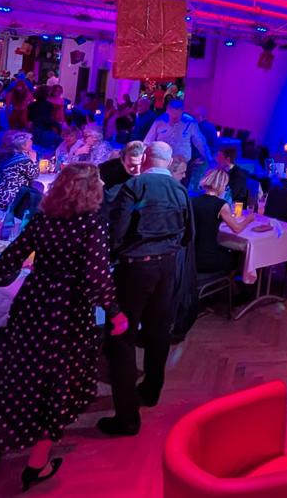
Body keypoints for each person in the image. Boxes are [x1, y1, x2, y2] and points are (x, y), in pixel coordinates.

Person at [0, 164, 129, 489]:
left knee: (15, 374)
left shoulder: (44, 219)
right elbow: (96, 276)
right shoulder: (92, 224)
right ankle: (36, 463)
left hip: (32, 303)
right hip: (66, 310)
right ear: (91, 192)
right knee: (56, 382)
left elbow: (10, 259)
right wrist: (115, 312)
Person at [100, 141, 194, 436]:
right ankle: (152, 391)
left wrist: (112, 256)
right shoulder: (180, 189)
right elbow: (188, 234)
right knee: (158, 331)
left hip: (136, 267)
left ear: (146, 159)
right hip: (167, 267)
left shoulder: (135, 186)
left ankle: (127, 417)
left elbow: (117, 231)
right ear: (169, 160)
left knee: (122, 336)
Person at [190, 168, 253, 275]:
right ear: (222, 185)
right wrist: (249, 219)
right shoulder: (221, 204)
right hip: (207, 258)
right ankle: (236, 283)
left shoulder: (193, 201)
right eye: (226, 186)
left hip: (191, 256)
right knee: (239, 255)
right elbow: (237, 229)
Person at [144, 98, 211, 179]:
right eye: (172, 116)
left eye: (177, 116)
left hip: (182, 165)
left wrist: (208, 158)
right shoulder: (159, 121)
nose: (174, 120)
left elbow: (200, 142)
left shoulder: (190, 122)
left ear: (182, 112)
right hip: (162, 162)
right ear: (167, 111)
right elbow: (148, 141)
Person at [0, 131, 39, 210]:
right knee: (38, 190)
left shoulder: (10, 155)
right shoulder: (23, 160)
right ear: (23, 145)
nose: (32, 142)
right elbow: (34, 175)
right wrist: (34, 160)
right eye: (30, 140)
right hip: (10, 197)